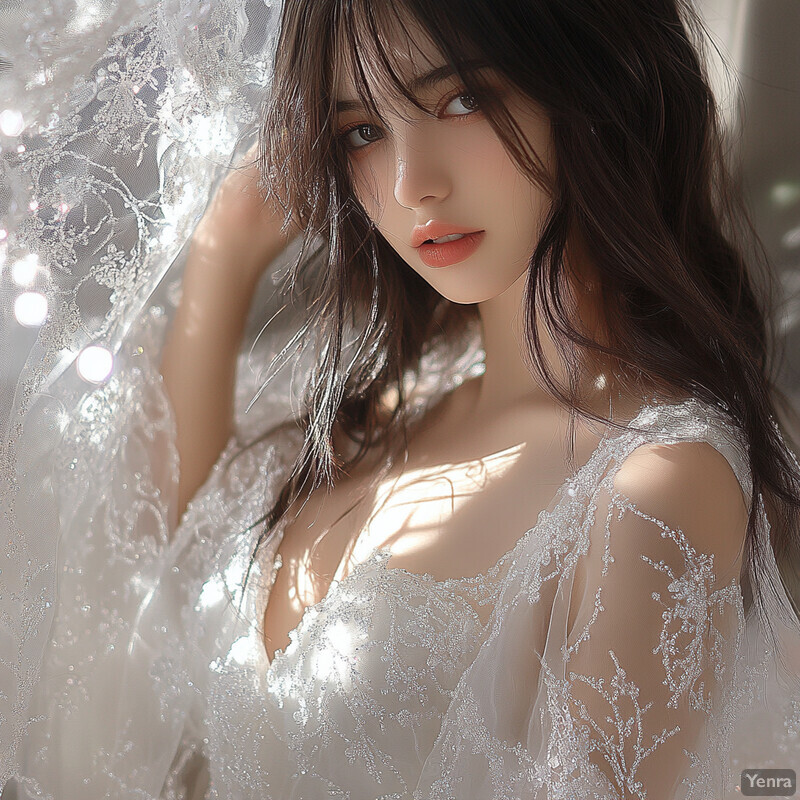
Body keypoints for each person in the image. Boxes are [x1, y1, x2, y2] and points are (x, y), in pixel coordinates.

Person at [4, 0, 800, 798]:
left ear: (595, 85)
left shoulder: (655, 484)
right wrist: (226, 247)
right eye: (361, 130)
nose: (412, 184)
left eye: (462, 99)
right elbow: (148, 564)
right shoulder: (382, 407)